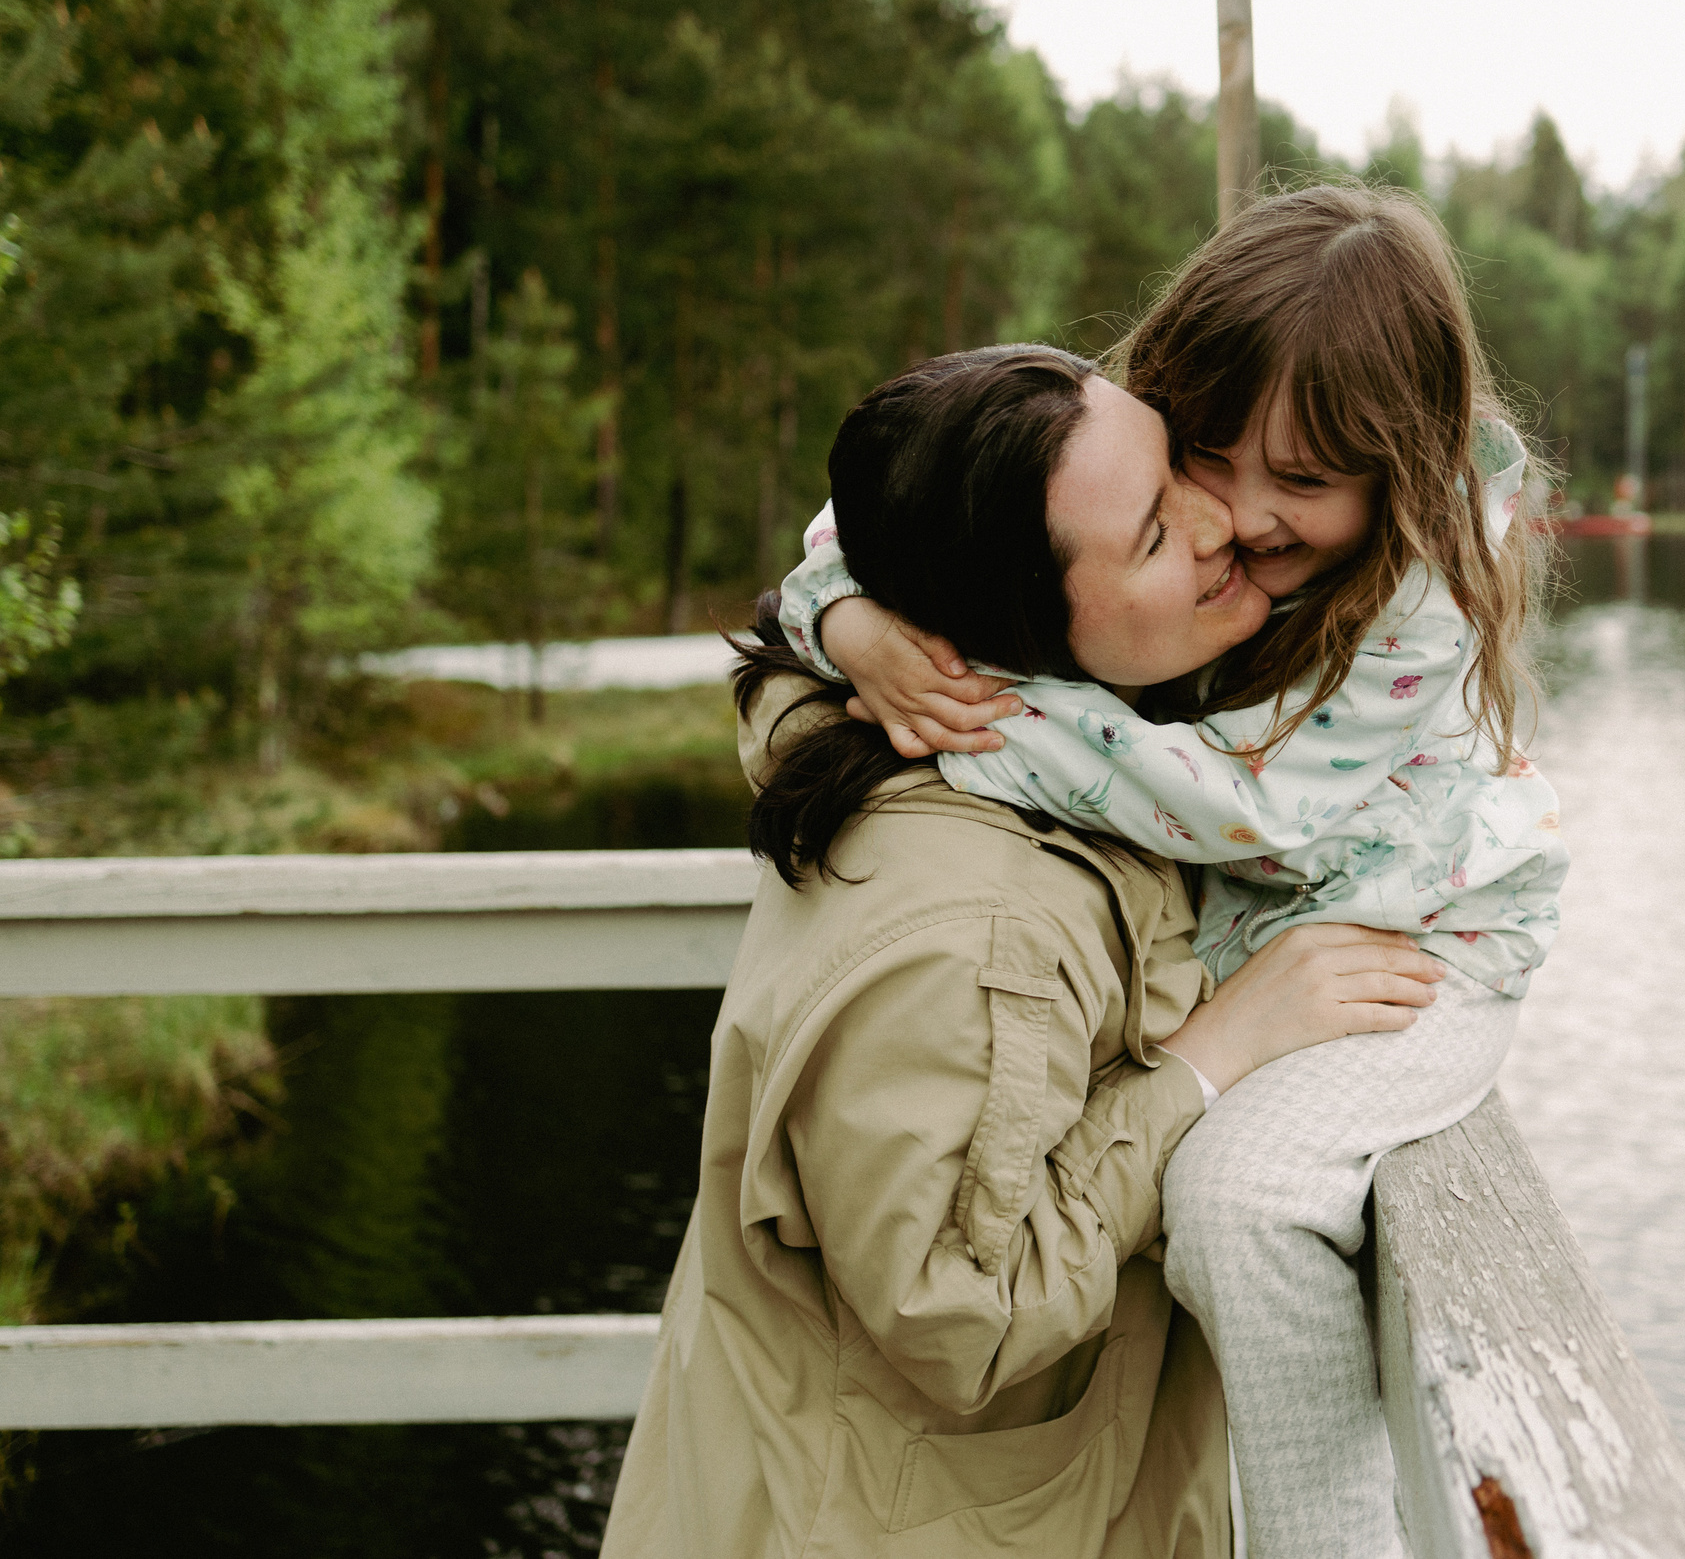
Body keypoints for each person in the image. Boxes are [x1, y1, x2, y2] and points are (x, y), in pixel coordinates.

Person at [778, 185, 1568, 1559]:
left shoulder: (1420, 586)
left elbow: (1247, 807)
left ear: (1399, 466)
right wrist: (847, 619)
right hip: (1255, 956)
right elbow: (887, 512)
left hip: (1415, 956)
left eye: (1307, 483)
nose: (1250, 515)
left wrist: (988, 714)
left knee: (1237, 1201)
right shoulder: (1115, 462)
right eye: (1214, 452)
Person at [600, 345, 1445, 1559]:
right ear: (1013, 628)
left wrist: (839, 609)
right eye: (1155, 534)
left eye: (1177, 469)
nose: (1223, 525)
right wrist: (1213, 1057)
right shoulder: (973, 922)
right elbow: (965, 1311)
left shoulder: (1052, 764)